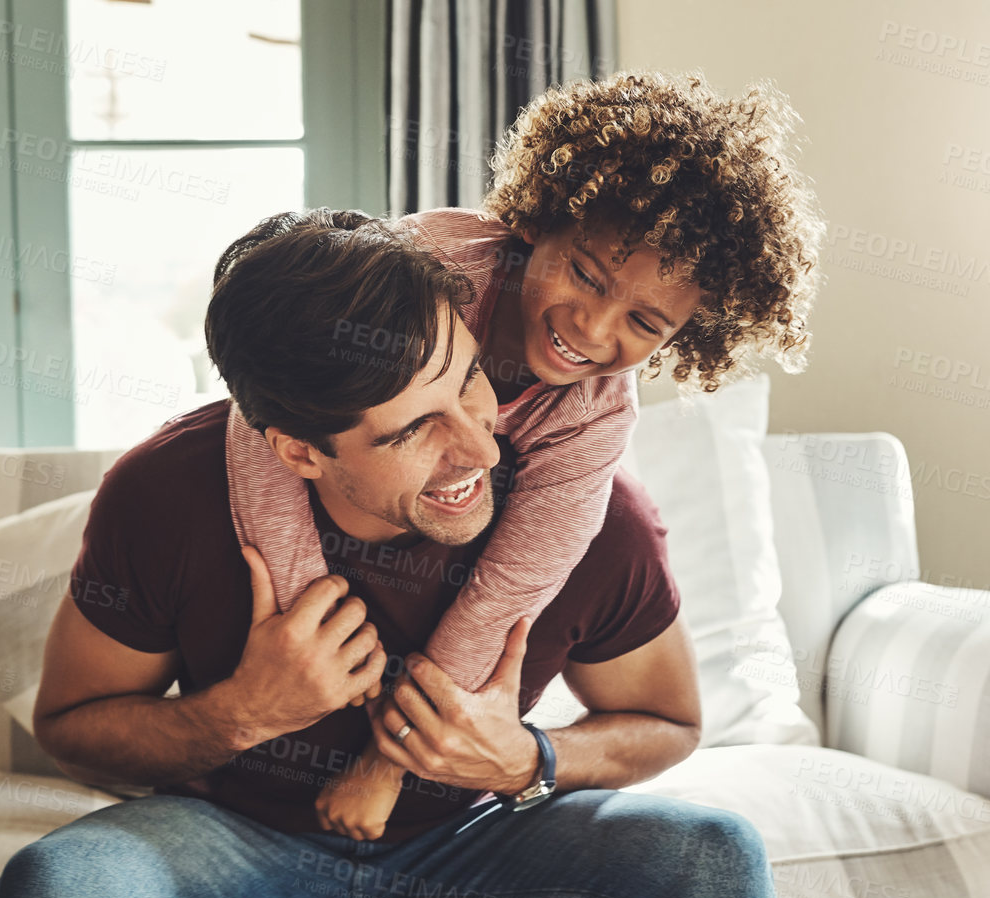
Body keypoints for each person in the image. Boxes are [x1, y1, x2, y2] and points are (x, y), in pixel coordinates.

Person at [0, 208, 831, 898]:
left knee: (711, 852)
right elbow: (72, 724)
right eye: (414, 430)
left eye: (471, 386)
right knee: (57, 885)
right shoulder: (168, 491)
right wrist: (240, 712)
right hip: (232, 863)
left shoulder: (589, 516)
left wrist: (529, 757)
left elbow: (664, 720)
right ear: (299, 451)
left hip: (474, 871)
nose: (481, 450)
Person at [223, 70, 824, 842]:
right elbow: (268, 401)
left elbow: (508, 590)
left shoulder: (593, 420)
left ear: (684, 336)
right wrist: (318, 624)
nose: (592, 329)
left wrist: (387, 761)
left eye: (644, 321)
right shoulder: (428, 263)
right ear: (542, 219)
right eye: (584, 273)